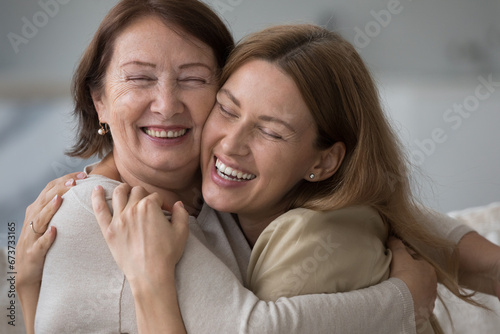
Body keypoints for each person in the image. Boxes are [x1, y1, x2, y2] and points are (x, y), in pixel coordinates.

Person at [15, 1, 500, 333]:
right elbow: (248, 328)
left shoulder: (207, 188)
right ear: (98, 100)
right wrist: (404, 299)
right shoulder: (104, 213)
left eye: (194, 79)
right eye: (139, 78)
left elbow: (360, 198)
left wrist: (471, 256)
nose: (166, 104)